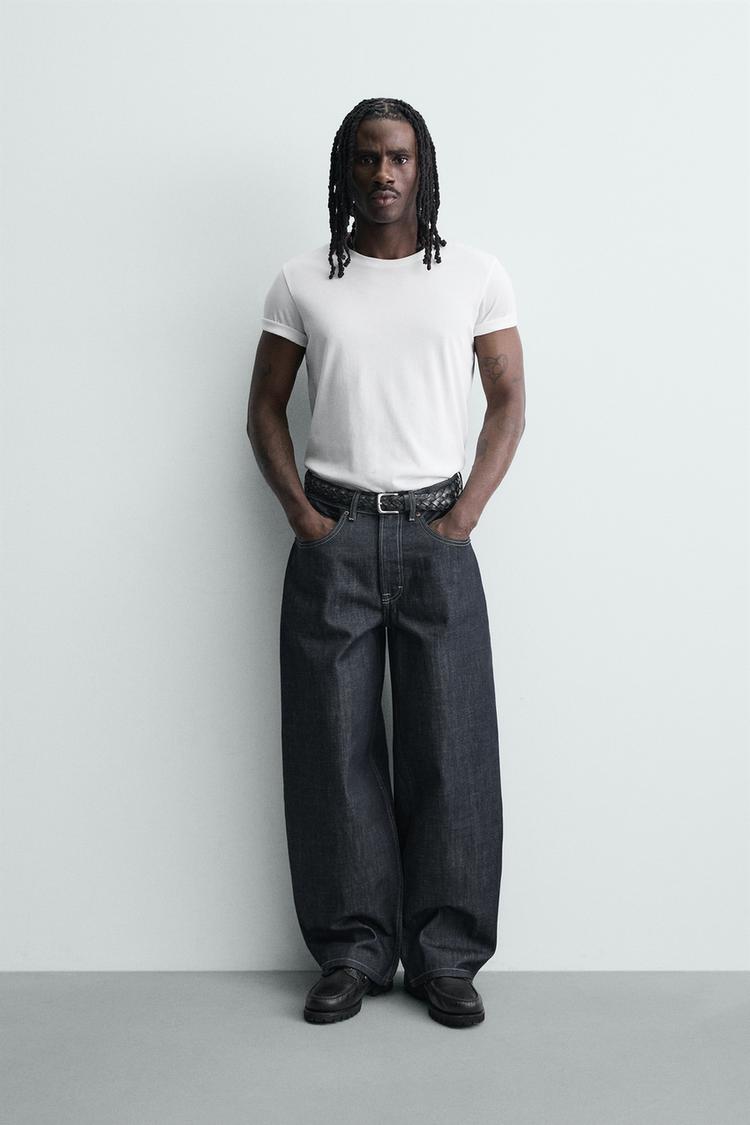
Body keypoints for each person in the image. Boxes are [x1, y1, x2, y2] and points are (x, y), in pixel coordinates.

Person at [247, 97, 525, 1029]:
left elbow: (509, 398)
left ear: (423, 167)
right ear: (346, 171)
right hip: (334, 535)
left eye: (399, 157)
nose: (383, 174)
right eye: (367, 158)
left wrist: (466, 513)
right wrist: (303, 517)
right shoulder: (303, 281)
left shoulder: (473, 275)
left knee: (454, 750)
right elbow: (263, 407)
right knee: (334, 752)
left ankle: (446, 957)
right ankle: (353, 951)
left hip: (436, 533)